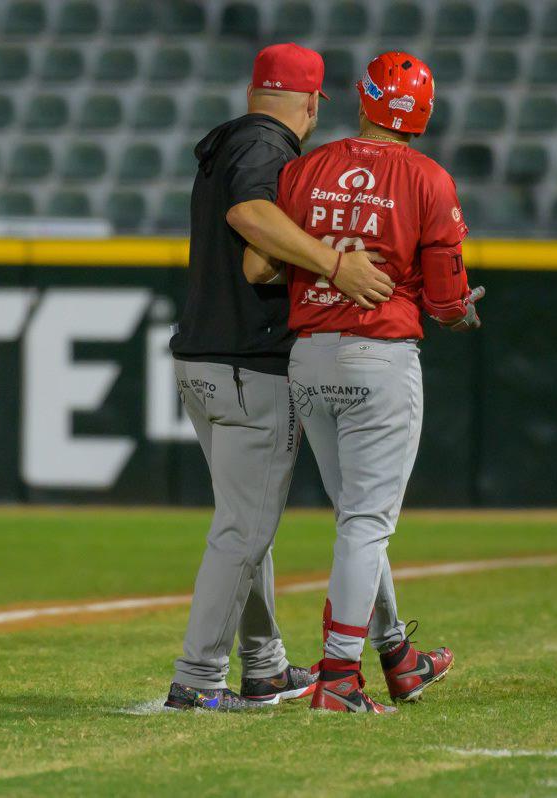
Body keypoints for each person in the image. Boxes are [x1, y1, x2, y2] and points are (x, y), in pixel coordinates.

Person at [244, 52, 485, 713]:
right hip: (379, 356)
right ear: (423, 114)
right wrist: (460, 312)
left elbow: (260, 266)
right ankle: (340, 679)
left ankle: (398, 658)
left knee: (356, 518)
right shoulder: (429, 178)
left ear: (364, 98)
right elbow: (445, 298)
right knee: (366, 524)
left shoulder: (306, 168)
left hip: (308, 356)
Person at [164, 43, 396, 711]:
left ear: (252, 92)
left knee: (246, 521)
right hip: (249, 363)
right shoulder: (268, 147)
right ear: (315, 103)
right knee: (244, 530)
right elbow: (250, 218)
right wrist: (335, 264)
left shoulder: (231, 142)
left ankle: (263, 665)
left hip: (204, 361)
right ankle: (197, 679)